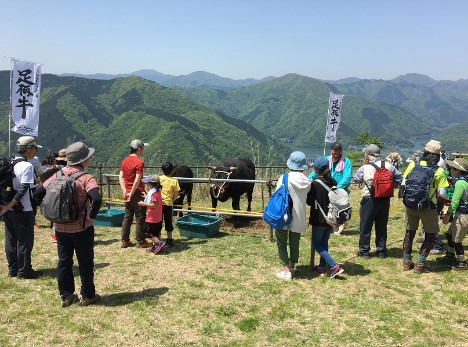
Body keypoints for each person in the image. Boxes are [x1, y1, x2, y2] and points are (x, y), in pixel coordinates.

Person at [34, 142, 102, 307]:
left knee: (64, 261)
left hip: (60, 227)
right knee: (85, 262)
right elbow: (97, 198)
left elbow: (37, 194)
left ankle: (66, 295)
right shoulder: (86, 178)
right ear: (83, 160)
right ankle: (88, 295)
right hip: (82, 227)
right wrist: (91, 216)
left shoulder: (56, 175)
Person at [401, 140, 449, 273]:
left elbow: (404, 183)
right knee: (430, 235)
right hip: (429, 207)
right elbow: (441, 193)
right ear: (438, 156)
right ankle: (420, 264)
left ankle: (406, 262)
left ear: (425, 152)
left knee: (409, 233)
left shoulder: (413, 164)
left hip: (410, 205)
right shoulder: (439, 171)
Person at [0, 136, 43, 279]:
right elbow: (24, 188)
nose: (36, 151)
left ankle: (13, 269)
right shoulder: (27, 166)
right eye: (35, 148)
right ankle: (24, 271)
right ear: (29, 149)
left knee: (11, 239)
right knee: (24, 241)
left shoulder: (8, 162)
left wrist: (5, 206)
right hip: (23, 209)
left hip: (8, 210)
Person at [353, 144, 403, 259]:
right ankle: (381, 251)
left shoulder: (364, 168)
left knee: (365, 225)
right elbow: (399, 178)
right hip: (385, 199)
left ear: (367, 154)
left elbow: (357, 179)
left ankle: (364, 251)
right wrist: (390, 187)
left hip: (369, 198)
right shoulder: (389, 166)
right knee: (381, 225)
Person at [275, 151, 312, 280]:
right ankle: (292, 267)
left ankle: (286, 270)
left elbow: (277, 194)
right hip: (299, 216)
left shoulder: (284, 178)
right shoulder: (308, 182)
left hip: (283, 215)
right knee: (295, 242)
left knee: (281, 241)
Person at [306, 156, 344, 278]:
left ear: (316, 170)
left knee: (316, 243)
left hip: (319, 218)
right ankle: (322, 267)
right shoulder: (333, 182)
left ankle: (334, 266)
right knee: (324, 242)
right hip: (331, 218)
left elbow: (309, 202)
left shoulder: (315, 184)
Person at [308, 142, 352, 235]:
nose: (337, 152)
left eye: (339, 150)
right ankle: (330, 225)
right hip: (326, 189)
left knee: (339, 208)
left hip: (339, 191)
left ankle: (340, 224)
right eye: (335, 150)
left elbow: (347, 178)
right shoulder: (327, 160)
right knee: (328, 209)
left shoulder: (346, 162)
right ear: (331, 150)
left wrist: (336, 189)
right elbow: (316, 172)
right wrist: (307, 181)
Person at [119, 139, 151, 249]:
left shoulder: (124, 160)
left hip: (127, 192)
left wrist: (125, 191)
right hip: (136, 193)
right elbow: (137, 180)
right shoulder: (139, 162)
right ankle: (140, 241)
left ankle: (125, 240)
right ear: (139, 149)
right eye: (143, 148)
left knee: (127, 216)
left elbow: (121, 177)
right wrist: (132, 193)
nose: (143, 150)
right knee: (140, 217)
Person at [437, 157, 468, 270]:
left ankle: (461, 262)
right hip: (461, 213)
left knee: (457, 239)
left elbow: (455, 202)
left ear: (458, 170)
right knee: (450, 234)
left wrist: (447, 215)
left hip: (463, 215)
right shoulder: (464, 180)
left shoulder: (460, 183)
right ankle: (450, 255)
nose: (450, 170)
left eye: (452, 168)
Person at [138, 174, 166, 254]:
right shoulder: (157, 191)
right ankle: (155, 248)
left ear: (150, 183)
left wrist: (143, 204)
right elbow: (155, 202)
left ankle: (159, 243)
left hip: (152, 217)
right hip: (158, 216)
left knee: (146, 232)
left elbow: (154, 205)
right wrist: (146, 196)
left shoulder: (153, 193)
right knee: (154, 233)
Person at [159, 162, 180, 247]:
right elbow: (177, 194)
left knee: (158, 221)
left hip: (159, 204)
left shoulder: (159, 178)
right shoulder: (174, 181)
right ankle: (169, 240)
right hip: (168, 204)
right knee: (168, 221)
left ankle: (158, 240)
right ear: (172, 170)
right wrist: (172, 200)